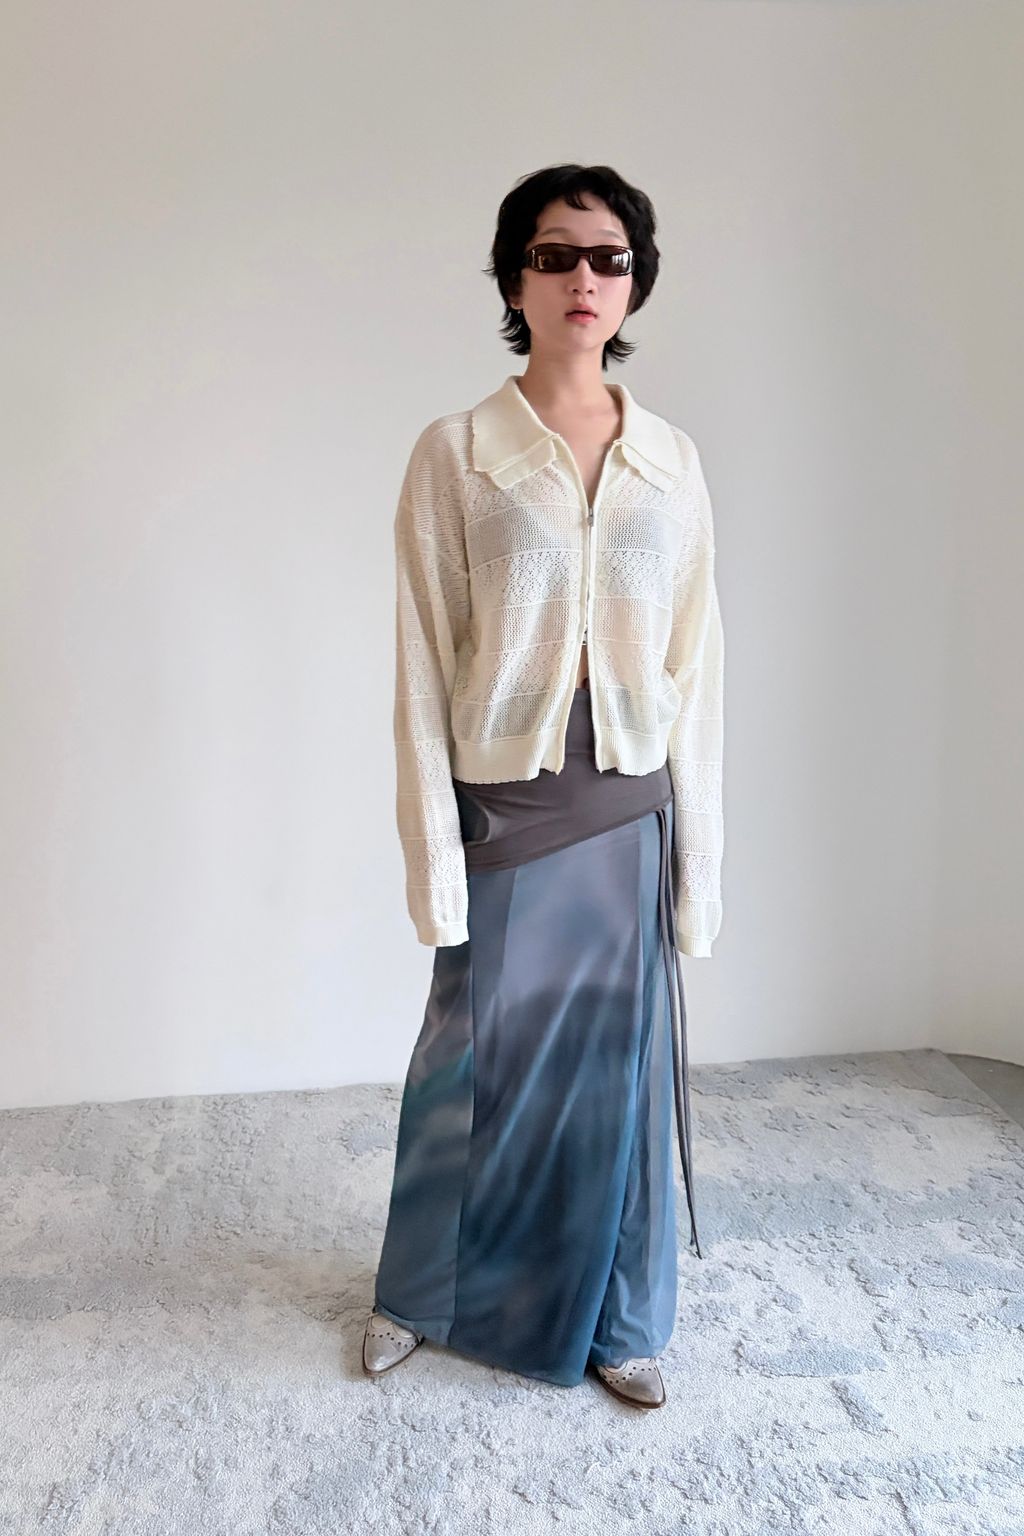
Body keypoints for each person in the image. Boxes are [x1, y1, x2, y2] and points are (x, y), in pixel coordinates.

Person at [363, 164, 725, 1409]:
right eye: (556, 253)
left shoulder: (671, 461)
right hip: (505, 802)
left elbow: (697, 670)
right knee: (469, 1057)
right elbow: (422, 663)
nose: (584, 277)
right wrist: (432, 856)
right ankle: (420, 1293)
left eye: (608, 258)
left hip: (627, 799)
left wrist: (701, 866)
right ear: (515, 279)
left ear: (634, 285)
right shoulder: (458, 453)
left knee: (619, 1069)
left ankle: (621, 1319)